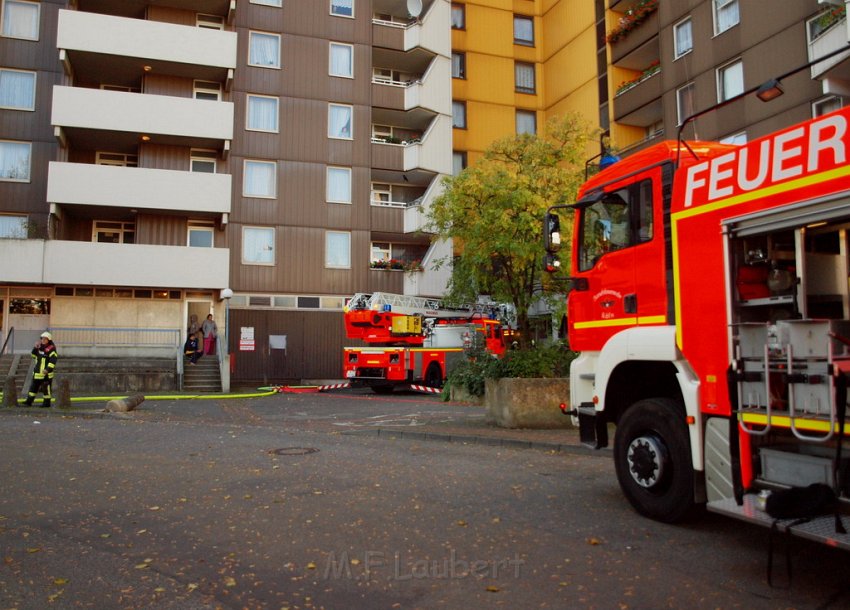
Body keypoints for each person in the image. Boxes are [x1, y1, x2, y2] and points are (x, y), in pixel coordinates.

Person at [24, 331, 58, 408]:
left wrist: (47, 369)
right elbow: (33, 355)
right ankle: (28, 402)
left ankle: (46, 404)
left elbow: (53, 360)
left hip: (46, 374)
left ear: (49, 340)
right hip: (37, 373)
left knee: (46, 389)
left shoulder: (51, 349)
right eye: (42, 339)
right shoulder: (39, 348)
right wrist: (35, 348)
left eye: (45, 339)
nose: (43, 340)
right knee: (33, 388)